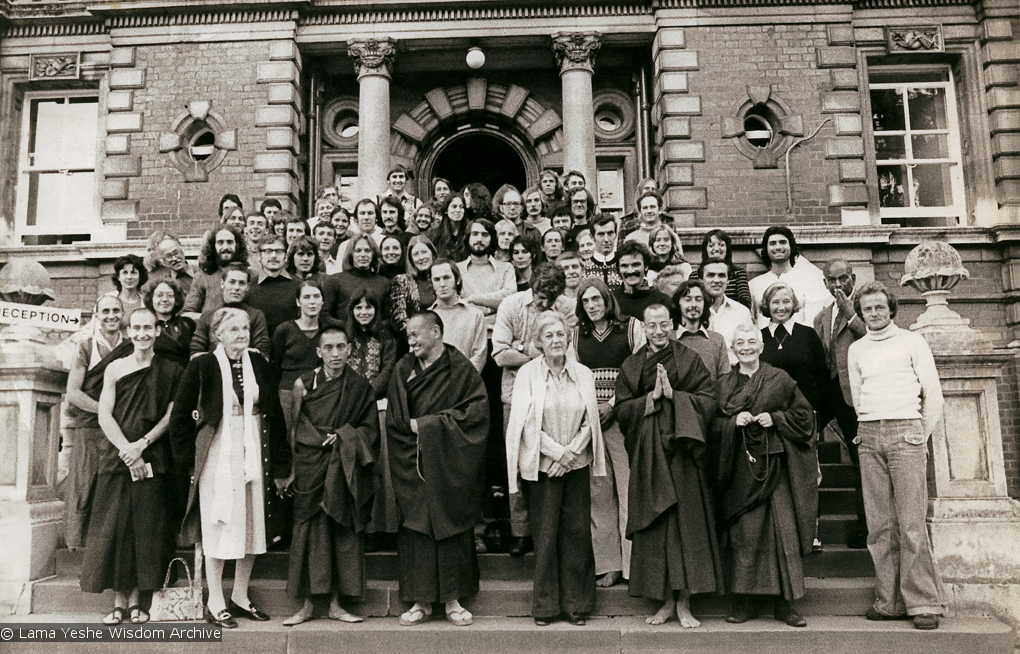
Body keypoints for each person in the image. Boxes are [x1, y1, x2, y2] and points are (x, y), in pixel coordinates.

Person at [170, 307, 291, 629]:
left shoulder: (260, 365)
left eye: (246, 328)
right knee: (220, 523)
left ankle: (240, 594)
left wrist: (281, 465)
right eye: (234, 329)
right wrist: (186, 465)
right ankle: (215, 600)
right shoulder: (202, 366)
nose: (242, 334)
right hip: (217, 453)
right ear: (218, 334)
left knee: (251, 524)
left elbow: (275, 416)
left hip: (253, 449)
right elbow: (180, 418)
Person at [614, 304, 722, 627]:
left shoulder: (689, 358)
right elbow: (621, 410)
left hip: (684, 452)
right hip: (649, 453)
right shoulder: (632, 365)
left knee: (686, 527)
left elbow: (709, 400)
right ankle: (664, 602)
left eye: (664, 325)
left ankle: (685, 601)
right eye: (652, 326)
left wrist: (675, 396)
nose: (659, 331)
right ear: (643, 328)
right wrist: (651, 399)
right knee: (657, 527)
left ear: (672, 324)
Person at [847, 282, 946, 630]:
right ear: (860, 313)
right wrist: (868, 426)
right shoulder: (857, 349)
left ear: (891, 308)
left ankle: (922, 603)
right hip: (869, 433)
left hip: (907, 432)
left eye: (879, 307)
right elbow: (858, 395)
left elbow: (933, 394)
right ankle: (888, 601)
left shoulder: (912, 342)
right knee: (879, 524)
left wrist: (922, 432)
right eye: (867, 309)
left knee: (911, 523)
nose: (873, 314)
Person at [80, 308, 184, 626]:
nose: (141, 333)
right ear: (128, 332)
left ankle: (140, 600)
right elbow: (105, 414)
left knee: (147, 528)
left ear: (156, 332)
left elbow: (170, 415)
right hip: (117, 457)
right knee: (116, 528)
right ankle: (118, 601)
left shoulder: (171, 369)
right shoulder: (114, 368)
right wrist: (127, 448)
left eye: (147, 328)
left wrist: (143, 444)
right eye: (136, 328)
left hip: (153, 455)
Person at [387, 312, 489, 627]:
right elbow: (397, 421)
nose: (411, 341)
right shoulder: (403, 369)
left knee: (450, 524)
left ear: (435, 331)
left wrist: (429, 426)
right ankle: (421, 602)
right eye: (408, 336)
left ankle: (454, 601)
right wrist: (417, 434)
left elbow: (477, 414)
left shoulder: (461, 370)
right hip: (414, 461)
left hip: (450, 462)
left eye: (416, 334)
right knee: (418, 527)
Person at [714, 323, 818, 627]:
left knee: (780, 532)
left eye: (751, 342)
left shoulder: (779, 379)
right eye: (740, 342)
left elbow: (805, 417)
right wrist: (732, 422)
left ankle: (784, 604)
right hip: (739, 470)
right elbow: (711, 423)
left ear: (761, 347)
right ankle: (743, 601)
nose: (746, 347)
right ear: (733, 349)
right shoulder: (723, 384)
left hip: (775, 468)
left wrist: (776, 418)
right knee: (744, 536)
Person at [506, 312, 605, 626]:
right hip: (543, 466)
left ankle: (576, 604)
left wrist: (571, 453)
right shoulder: (526, 374)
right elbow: (524, 423)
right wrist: (557, 454)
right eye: (548, 336)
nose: (556, 340)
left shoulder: (584, 373)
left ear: (568, 338)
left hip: (575, 464)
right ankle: (546, 606)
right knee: (546, 535)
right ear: (538, 342)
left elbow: (591, 419)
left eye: (561, 334)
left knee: (576, 533)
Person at [282, 326, 379, 626]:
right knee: (310, 534)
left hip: (344, 468)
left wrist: (344, 437)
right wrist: (294, 469)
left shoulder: (360, 386)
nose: (335, 354)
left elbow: (369, 429)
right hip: (311, 465)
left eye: (341, 347)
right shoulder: (303, 384)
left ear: (350, 349)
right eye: (329, 348)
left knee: (341, 531)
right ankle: (308, 605)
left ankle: (337, 604)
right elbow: (295, 429)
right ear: (318, 351)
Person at [492, 264, 578, 556]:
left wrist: (526, 347)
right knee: (517, 465)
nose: (544, 305)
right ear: (532, 287)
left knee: (550, 464)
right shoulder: (511, 305)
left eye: (550, 300)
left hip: (556, 397)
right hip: (515, 396)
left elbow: (568, 351)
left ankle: (549, 530)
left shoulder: (565, 307)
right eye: (540, 297)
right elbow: (500, 354)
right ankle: (520, 531)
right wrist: (533, 352)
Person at [573, 278, 645, 589]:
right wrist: (592, 410)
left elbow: (641, 368)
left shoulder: (630, 328)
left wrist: (613, 404)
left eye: (596, 299)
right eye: (586, 301)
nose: (592, 305)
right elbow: (574, 377)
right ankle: (609, 565)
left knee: (629, 490)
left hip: (624, 418)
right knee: (599, 494)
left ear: (607, 299)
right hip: (592, 421)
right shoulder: (576, 335)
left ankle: (633, 565)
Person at [63, 296, 133, 550]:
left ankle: (110, 543)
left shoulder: (132, 345)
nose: (111, 315)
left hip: (122, 428)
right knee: (85, 482)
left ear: (123, 313)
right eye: (105, 311)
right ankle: (78, 544)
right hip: (91, 426)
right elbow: (74, 392)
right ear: (96, 314)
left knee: (114, 485)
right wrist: (106, 414)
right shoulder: (86, 346)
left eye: (116, 310)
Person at [813, 259, 868, 549]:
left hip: (855, 395)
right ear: (824, 283)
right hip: (828, 393)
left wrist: (851, 315)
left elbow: (874, 338)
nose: (838, 285)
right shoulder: (821, 317)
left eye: (843, 278)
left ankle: (866, 526)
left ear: (853, 278)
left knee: (861, 460)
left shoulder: (866, 305)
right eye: (832, 280)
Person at [346, 291, 399, 544]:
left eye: (369, 308)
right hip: (350, 410)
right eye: (358, 308)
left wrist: (367, 393)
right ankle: (362, 529)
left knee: (382, 466)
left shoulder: (386, 337)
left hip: (379, 406)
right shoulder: (346, 338)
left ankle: (385, 528)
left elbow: (389, 369)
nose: (364, 312)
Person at [271, 279, 340, 428]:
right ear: (298, 302)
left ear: (323, 301)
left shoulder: (328, 331)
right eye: (307, 297)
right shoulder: (284, 330)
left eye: (316, 297)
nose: (312, 302)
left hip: (320, 393)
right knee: (291, 438)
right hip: (288, 393)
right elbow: (274, 365)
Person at [759, 282, 829, 416]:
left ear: (793, 304)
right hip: (769, 414)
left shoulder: (808, 334)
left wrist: (817, 411)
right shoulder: (758, 336)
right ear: (767, 305)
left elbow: (822, 377)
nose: (781, 307)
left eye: (786, 301)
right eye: (775, 302)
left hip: (805, 412)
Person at [748, 226, 831, 328]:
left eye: (782, 242)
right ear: (766, 249)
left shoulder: (808, 280)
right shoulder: (754, 284)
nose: (778, 247)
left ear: (791, 246)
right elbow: (751, 321)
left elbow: (813, 321)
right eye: (772, 243)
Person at [190, 264, 271, 361]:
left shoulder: (256, 315)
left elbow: (263, 353)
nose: (236, 287)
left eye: (242, 283)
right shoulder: (208, 315)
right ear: (222, 284)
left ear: (247, 287)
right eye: (232, 282)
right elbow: (196, 351)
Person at [457, 218, 516, 329]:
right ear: (468, 237)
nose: (479, 239)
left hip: (497, 332)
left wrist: (473, 299)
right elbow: (454, 302)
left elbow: (509, 298)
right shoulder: (456, 269)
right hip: (466, 330)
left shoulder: (506, 268)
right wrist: (493, 304)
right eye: (475, 234)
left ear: (492, 239)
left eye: (485, 235)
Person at [430, 259, 486, 372]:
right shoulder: (425, 318)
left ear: (458, 280)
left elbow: (479, 356)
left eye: (446, 278)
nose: (442, 284)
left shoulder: (475, 315)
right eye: (436, 279)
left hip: (465, 383)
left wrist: (460, 381)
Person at [322, 234, 392, 325]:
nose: (363, 255)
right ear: (351, 254)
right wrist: (350, 328)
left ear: (373, 254)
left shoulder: (383, 283)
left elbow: (387, 319)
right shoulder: (334, 280)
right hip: (343, 336)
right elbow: (324, 315)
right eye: (358, 251)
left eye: (367, 251)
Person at [183, 227, 251, 317]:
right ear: (213, 246)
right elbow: (187, 312)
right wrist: (211, 318)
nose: (225, 247)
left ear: (237, 245)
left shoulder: (251, 275)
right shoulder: (202, 276)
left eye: (230, 242)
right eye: (220, 242)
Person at [701, 258, 754, 364]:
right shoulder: (692, 312)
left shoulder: (742, 312)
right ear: (701, 279)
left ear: (728, 280)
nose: (716, 280)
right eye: (710, 275)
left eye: (721, 275)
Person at [674, 280, 730, 380]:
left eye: (698, 299)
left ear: (705, 304)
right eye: (687, 300)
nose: (693, 305)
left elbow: (725, 380)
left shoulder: (717, 340)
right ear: (679, 303)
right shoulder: (669, 338)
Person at [246, 234, 299, 339]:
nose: (274, 256)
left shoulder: (299, 286)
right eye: (268, 251)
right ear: (259, 256)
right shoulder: (248, 286)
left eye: (279, 251)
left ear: (286, 256)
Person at [390, 235, 438, 343]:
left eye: (424, 252)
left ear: (433, 254)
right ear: (411, 259)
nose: (421, 258)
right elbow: (399, 319)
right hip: (415, 341)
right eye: (416, 254)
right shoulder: (402, 281)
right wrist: (422, 336)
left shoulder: (442, 277)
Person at [689, 229, 752, 311]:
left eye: (721, 245)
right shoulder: (695, 275)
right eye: (711, 245)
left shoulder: (738, 273)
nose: (716, 248)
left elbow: (745, 300)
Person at [613, 241, 671, 321]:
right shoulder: (611, 301)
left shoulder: (663, 301)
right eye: (624, 266)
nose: (630, 271)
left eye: (636, 265)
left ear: (646, 266)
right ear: (618, 269)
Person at [143, 278, 195, 365]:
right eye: (159, 295)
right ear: (151, 299)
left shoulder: (188, 324)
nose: (165, 299)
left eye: (170, 295)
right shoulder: (146, 326)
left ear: (176, 299)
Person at [145, 231, 195, 295]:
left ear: (182, 250)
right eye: (169, 256)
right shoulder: (162, 281)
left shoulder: (202, 271)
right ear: (162, 260)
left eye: (176, 253)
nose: (174, 258)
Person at [337, 199, 384, 263]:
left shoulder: (385, 242)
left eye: (370, 213)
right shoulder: (345, 246)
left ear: (376, 218)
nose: (366, 217)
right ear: (356, 220)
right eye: (362, 213)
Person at [584, 214, 624, 289]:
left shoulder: (624, 264)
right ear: (592, 237)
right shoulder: (583, 267)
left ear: (615, 235)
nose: (606, 239)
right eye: (601, 234)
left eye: (610, 233)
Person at [428, 194, 470, 262]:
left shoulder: (470, 233)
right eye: (454, 206)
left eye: (461, 207)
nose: (458, 210)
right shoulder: (435, 235)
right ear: (446, 210)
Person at [109, 254, 147, 325]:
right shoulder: (107, 299)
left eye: (133, 273)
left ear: (140, 276)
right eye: (125, 272)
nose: (129, 277)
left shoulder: (147, 302)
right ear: (118, 277)